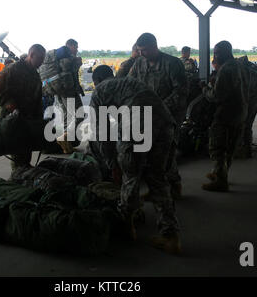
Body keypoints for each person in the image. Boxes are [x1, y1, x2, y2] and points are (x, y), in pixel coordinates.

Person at [89, 65, 181, 254]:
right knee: (158, 177)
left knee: (130, 177)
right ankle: (170, 236)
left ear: (96, 81)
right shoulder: (130, 82)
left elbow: (101, 132)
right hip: (165, 122)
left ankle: (126, 228)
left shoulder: (99, 91)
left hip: (138, 122)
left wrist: (112, 163)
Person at [128, 33, 188, 199]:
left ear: (154, 47)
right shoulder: (139, 62)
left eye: (144, 50)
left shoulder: (172, 63)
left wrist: (160, 107)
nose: (140, 54)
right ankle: (156, 189)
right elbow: (130, 84)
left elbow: (181, 91)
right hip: (148, 115)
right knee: (149, 153)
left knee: (166, 153)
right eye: (139, 50)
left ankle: (175, 186)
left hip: (170, 116)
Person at [0, 44, 45, 178]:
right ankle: (17, 181)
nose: (41, 62)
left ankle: (23, 176)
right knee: (18, 154)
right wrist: (10, 106)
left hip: (27, 119)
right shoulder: (14, 69)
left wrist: (39, 119)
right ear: (31, 55)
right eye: (39, 59)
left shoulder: (34, 74)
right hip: (13, 119)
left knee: (26, 152)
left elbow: (37, 97)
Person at [202, 41, 248, 192]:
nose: (215, 55)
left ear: (225, 52)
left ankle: (221, 181)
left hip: (226, 113)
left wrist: (205, 89)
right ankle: (221, 173)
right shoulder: (239, 65)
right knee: (230, 146)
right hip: (240, 111)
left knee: (217, 146)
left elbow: (217, 96)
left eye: (217, 53)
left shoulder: (226, 69)